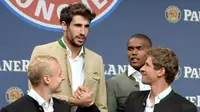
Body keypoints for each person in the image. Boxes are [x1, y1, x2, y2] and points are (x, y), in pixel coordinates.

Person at [29, 2, 107, 112]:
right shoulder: (42, 52)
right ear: (64, 25)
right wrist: (71, 100)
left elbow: (101, 105)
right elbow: (35, 94)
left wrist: (89, 103)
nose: (83, 32)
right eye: (78, 25)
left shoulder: (96, 59)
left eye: (86, 26)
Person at [1, 55, 100, 112]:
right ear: (47, 79)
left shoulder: (63, 107)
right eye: (59, 74)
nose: (63, 78)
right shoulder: (13, 111)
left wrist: (90, 104)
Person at [124, 47, 197, 112]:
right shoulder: (134, 99)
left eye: (147, 65)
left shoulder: (185, 108)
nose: (141, 69)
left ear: (161, 71)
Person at [107, 34, 152, 112]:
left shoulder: (158, 80)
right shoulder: (113, 83)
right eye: (130, 49)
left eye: (139, 48)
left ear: (150, 51)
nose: (134, 53)